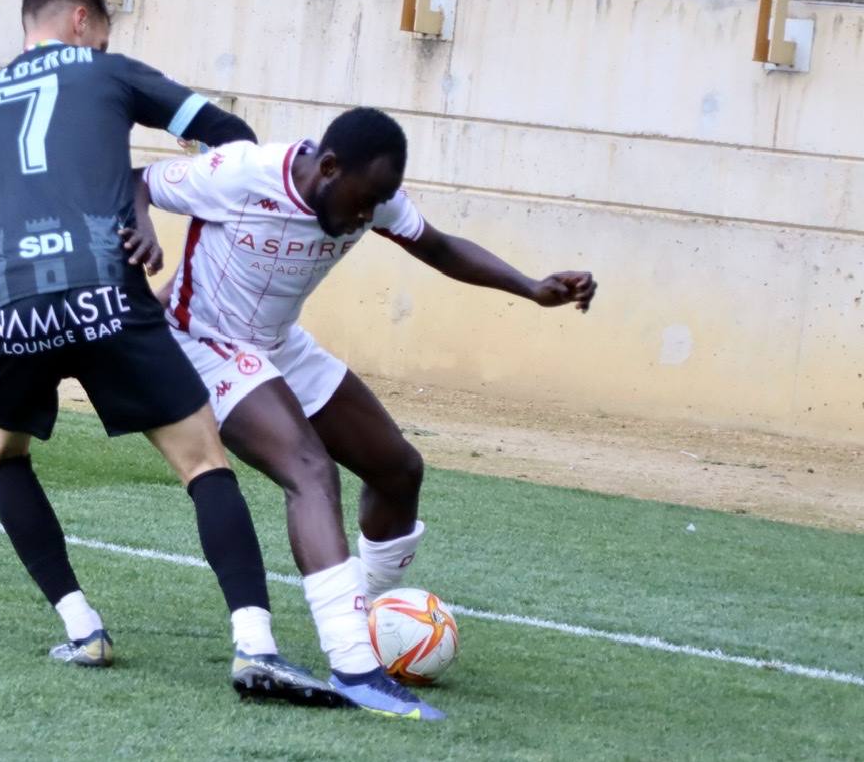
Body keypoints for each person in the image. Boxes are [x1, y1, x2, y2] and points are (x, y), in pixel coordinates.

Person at [0, 0, 341, 707]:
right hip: (108, 288)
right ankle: (255, 645)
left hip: (14, 304)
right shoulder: (110, 72)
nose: (103, 44)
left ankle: (82, 625)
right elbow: (235, 141)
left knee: (0, 454)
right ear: (78, 20)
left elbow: (5, 204)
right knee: (203, 462)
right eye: (102, 31)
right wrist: (144, 201)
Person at [132, 107, 597, 719]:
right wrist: (140, 225)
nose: (364, 217)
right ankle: (355, 666)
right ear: (327, 168)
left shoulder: (372, 198)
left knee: (398, 469)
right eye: (360, 202)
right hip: (203, 339)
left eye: (377, 205)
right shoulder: (241, 173)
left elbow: (439, 247)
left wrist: (531, 287)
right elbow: (139, 182)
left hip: (277, 343)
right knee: (310, 470)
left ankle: (362, 609)